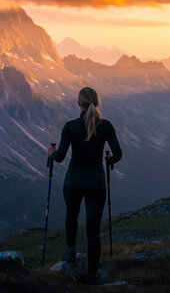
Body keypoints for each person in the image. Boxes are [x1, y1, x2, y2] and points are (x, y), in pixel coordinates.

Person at [48, 87, 122, 283]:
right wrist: (109, 158)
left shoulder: (70, 126)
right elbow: (118, 153)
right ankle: (91, 274)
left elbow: (60, 157)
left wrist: (51, 153)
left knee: (71, 214)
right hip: (96, 183)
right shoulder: (105, 126)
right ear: (97, 102)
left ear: (78, 103)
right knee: (93, 229)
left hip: (74, 181)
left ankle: (70, 251)